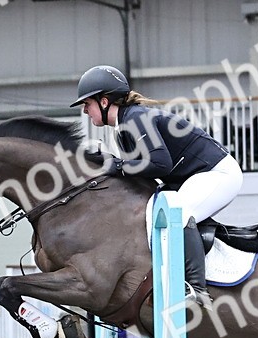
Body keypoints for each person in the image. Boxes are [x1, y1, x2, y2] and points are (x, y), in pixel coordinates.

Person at [71, 65, 243, 305]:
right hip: (190, 176)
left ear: (104, 101)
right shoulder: (122, 127)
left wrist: (117, 166)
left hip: (217, 173)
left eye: (86, 104)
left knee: (179, 213)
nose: (85, 110)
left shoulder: (135, 118)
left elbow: (160, 164)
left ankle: (196, 288)